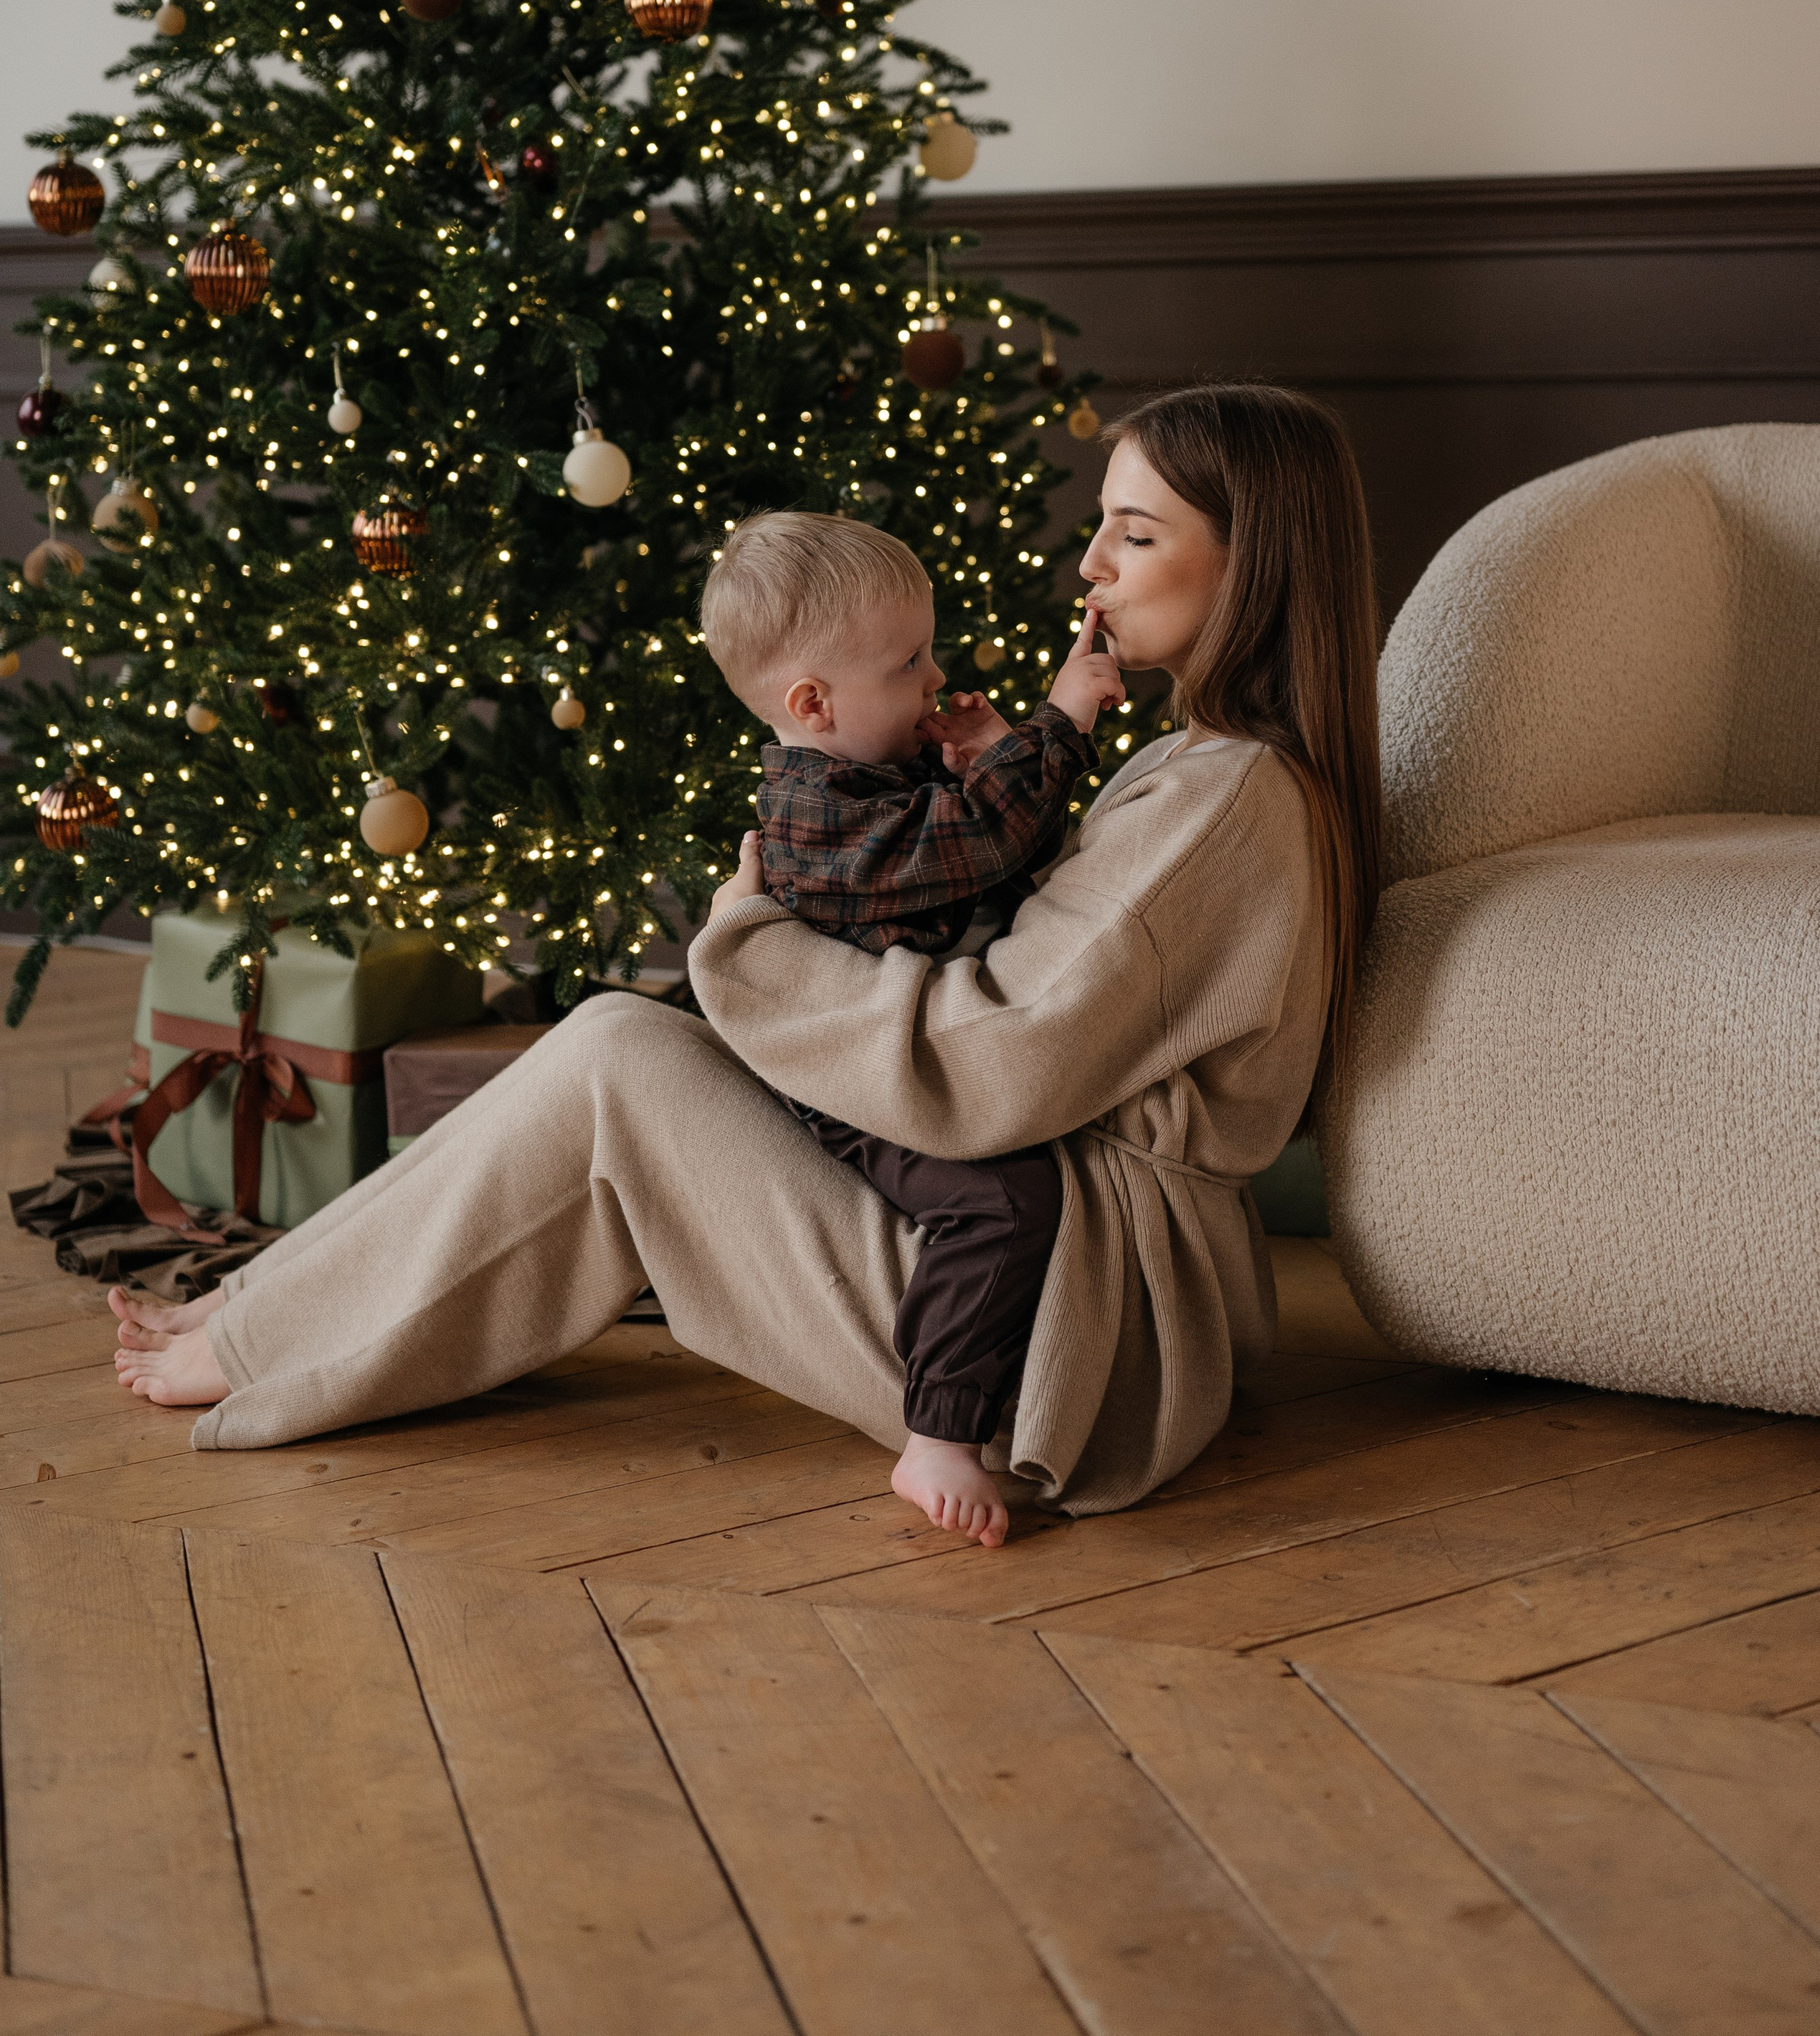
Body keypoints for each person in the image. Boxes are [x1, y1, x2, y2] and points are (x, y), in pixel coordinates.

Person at [111, 382, 1383, 1535]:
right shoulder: (1213, 772)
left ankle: (266, 1331)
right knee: (619, 1040)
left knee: (618, 1061)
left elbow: (993, 1064)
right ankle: (269, 1305)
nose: (1092, 562)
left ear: (1254, 566)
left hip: (1057, 1342)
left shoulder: (1223, 800)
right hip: (1057, 1274)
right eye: (1103, 524)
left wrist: (754, 945)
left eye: (1137, 535)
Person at [698, 508, 1124, 1545]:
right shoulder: (814, 814)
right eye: (907, 665)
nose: (936, 678)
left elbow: (992, 843)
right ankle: (937, 1433)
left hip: (913, 1048)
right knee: (1004, 1204)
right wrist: (1056, 726)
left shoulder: (876, 776)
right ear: (812, 704)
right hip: (845, 1080)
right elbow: (976, 841)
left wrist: (986, 751)